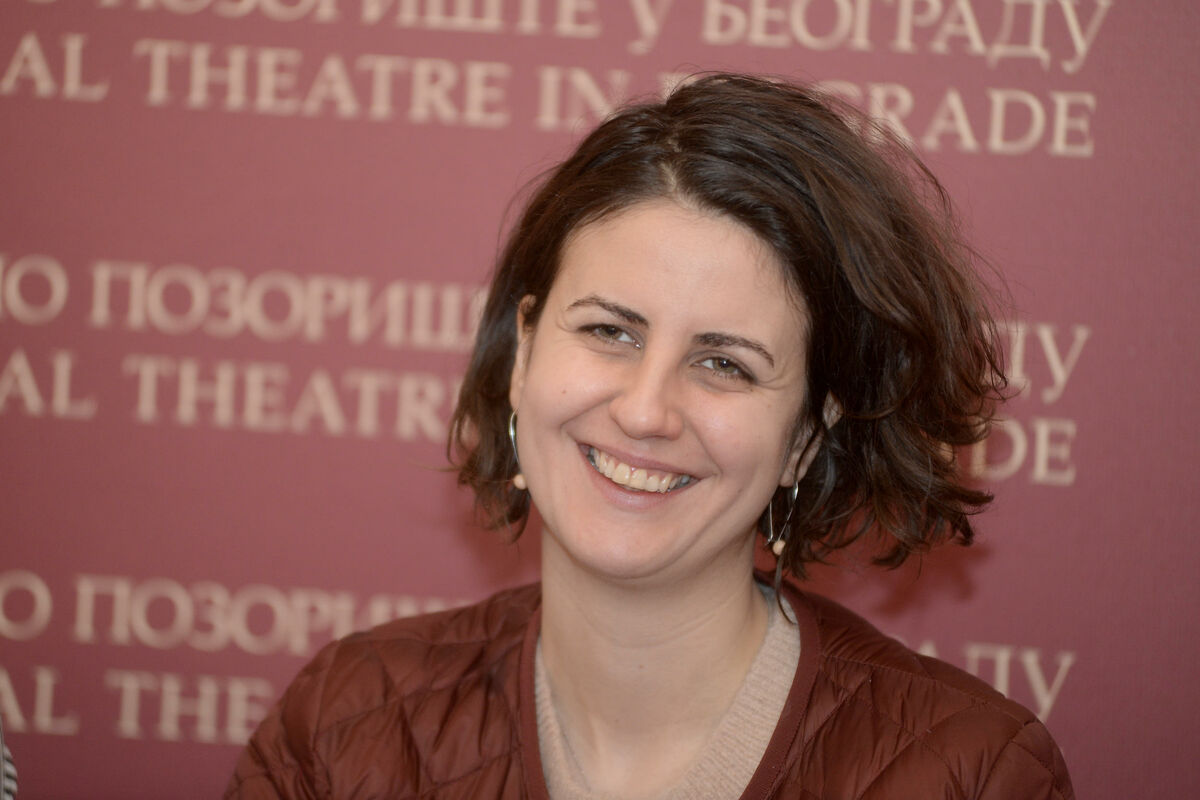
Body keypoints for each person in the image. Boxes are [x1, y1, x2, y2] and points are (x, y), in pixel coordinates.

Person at [225, 73, 1073, 799]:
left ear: (805, 440)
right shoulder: (343, 728)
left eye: (724, 364)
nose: (644, 411)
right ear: (523, 354)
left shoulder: (970, 772)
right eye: (610, 332)